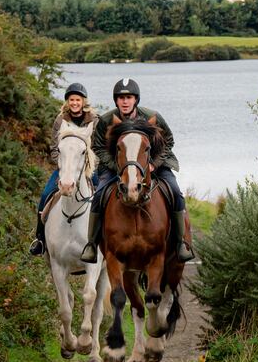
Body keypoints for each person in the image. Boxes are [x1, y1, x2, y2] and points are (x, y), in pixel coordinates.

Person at [79, 77, 194, 264]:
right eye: (121, 98)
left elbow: (169, 141)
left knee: (175, 191)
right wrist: (121, 167)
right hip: (117, 166)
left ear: (136, 100)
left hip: (154, 163)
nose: (125, 102)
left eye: (129, 97)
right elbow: (98, 147)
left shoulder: (151, 116)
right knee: (99, 195)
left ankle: (181, 243)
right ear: (116, 100)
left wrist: (153, 164)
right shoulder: (106, 120)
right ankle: (91, 244)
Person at [29, 83, 98, 256]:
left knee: (104, 194)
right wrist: (63, 162)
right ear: (67, 101)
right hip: (65, 167)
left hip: (89, 167)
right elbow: (54, 148)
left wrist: (90, 164)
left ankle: (107, 238)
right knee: (46, 195)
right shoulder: (60, 121)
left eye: (78, 100)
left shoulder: (95, 121)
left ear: (83, 101)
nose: (75, 103)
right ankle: (40, 239)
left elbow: (98, 146)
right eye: (71, 99)